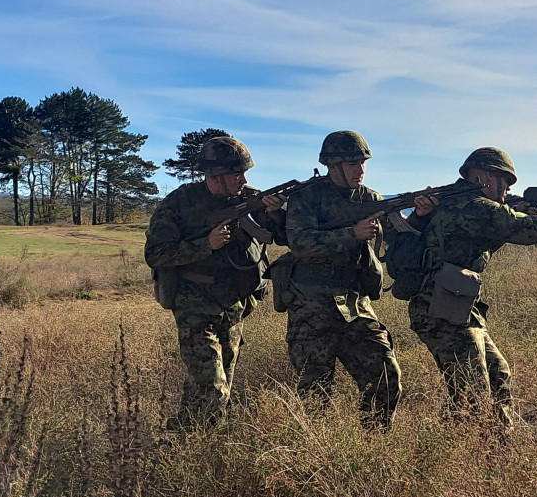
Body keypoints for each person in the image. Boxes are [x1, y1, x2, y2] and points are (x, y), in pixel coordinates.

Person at [408, 147, 537, 428]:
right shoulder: (475, 206)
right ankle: (472, 450)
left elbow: (486, 238)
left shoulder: (462, 203)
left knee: (497, 374)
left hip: (455, 303)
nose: (507, 189)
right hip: (440, 307)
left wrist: (515, 211)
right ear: (483, 176)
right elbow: (527, 232)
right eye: (505, 182)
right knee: (472, 391)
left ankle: (497, 441)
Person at [283, 130, 434, 429]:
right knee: (315, 391)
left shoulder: (372, 199)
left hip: (354, 302)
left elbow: (400, 239)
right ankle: (317, 457)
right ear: (332, 165)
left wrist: (420, 215)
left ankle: (372, 443)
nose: (360, 169)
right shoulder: (306, 197)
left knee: (386, 376)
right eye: (352, 163)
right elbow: (299, 242)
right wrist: (352, 234)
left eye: (363, 162)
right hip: (311, 303)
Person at [145, 136, 287, 430]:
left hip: (235, 305)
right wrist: (205, 244)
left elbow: (284, 237)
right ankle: (210, 449)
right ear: (214, 175)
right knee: (214, 390)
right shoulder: (179, 203)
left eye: (245, 172)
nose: (243, 179)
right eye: (237, 173)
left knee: (212, 384)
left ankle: (184, 435)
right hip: (195, 304)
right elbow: (155, 253)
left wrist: (274, 213)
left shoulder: (252, 199)